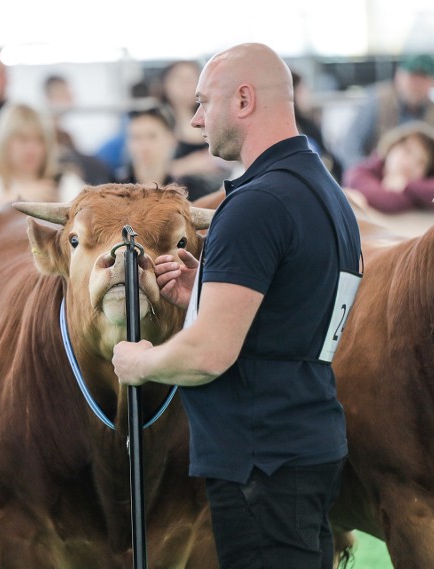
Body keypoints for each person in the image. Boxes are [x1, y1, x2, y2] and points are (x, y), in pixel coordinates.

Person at [112, 43, 362, 569]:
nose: (197, 119)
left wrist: (138, 363)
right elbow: (296, 301)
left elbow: (208, 355)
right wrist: (210, 288)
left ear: (244, 99)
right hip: (303, 443)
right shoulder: (323, 190)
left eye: (204, 102)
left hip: (261, 463)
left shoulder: (256, 204)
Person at [0, 102, 86, 221]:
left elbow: (91, 214)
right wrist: (16, 200)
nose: (31, 150)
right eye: (23, 140)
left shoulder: (62, 181)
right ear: (4, 141)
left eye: (39, 140)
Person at [340, 54, 434, 176]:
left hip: (425, 186)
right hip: (380, 179)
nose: (417, 85)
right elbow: (349, 147)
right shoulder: (377, 103)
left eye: (424, 78)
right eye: (413, 77)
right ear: (399, 77)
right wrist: (365, 175)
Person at [158, 59, 233, 199]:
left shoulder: (217, 118)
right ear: (165, 84)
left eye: (191, 79)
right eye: (179, 79)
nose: (186, 85)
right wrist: (187, 165)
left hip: (216, 196)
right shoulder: (156, 123)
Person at [341, 121, 434, 214]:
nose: (410, 163)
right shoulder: (360, 171)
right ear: (392, 146)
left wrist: (406, 185)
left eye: (421, 162)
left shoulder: (413, 185)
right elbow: (380, 199)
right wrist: (416, 198)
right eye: (407, 151)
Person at [43, 74, 112, 185]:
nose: (71, 97)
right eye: (64, 93)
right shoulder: (45, 133)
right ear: (49, 97)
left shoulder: (65, 135)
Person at [291, 70, 343, 181]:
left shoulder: (309, 125)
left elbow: (330, 160)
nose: (307, 94)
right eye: (302, 90)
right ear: (292, 93)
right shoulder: (289, 129)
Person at [112, 106, 179, 188]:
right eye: (136, 137)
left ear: (171, 139)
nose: (144, 146)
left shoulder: (187, 188)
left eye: (152, 136)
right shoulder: (114, 186)